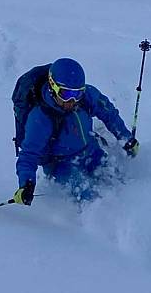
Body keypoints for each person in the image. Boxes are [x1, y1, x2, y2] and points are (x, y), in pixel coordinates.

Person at [13, 57, 139, 206]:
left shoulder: (86, 97)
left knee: (119, 184)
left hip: (91, 151)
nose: (72, 101)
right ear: (52, 88)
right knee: (89, 197)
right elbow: (29, 154)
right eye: (66, 95)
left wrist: (125, 138)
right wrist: (26, 185)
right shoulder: (40, 118)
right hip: (61, 165)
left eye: (77, 94)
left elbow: (109, 114)